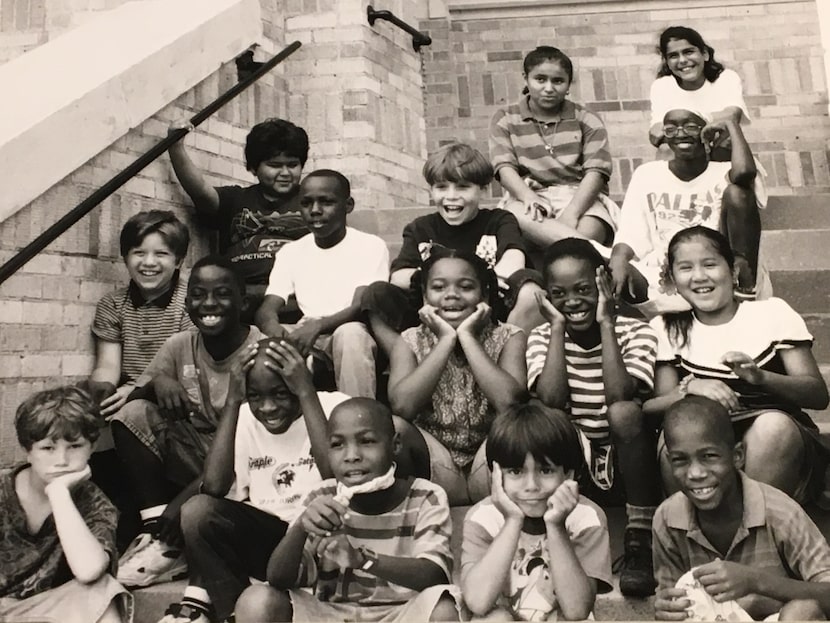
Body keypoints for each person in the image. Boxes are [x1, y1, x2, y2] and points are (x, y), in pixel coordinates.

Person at [158, 338, 349, 623]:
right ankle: (236, 614)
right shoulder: (245, 415)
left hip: (324, 538)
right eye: (255, 396)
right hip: (271, 541)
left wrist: (307, 392)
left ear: (300, 382)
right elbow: (214, 486)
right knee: (197, 511)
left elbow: (335, 476)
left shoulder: (335, 407)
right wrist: (234, 401)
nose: (268, 408)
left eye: (281, 394)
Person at [644, 226, 830, 505]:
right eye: (685, 268)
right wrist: (691, 388)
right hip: (705, 443)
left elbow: (817, 395)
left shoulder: (772, 313)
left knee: (772, 427)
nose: (699, 276)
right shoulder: (666, 327)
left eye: (710, 264)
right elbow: (653, 408)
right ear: (673, 279)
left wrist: (760, 377)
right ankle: (696, 532)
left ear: (732, 272)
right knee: (681, 431)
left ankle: (755, 527)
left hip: (778, 444)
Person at [234, 398, 462, 623]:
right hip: (332, 614)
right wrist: (302, 527)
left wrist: (361, 559)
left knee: (443, 608)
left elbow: (434, 575)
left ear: (395, 445)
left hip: (400, 614)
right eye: (337, 445)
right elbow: (278, 578)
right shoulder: (320, 498)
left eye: (367, 441)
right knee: (257, 601)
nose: (352, 455)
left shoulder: (425, 496)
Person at [111, 255, 265, 588]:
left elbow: (249, 446)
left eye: (222, 293)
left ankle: (177, 535)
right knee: (131, 415)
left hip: (244, 467)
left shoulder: (260, 354)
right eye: (197, 293)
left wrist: (181, 503)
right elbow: (135, 405)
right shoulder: (180, 344)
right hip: (197, 454)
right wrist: (158, 382)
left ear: (243, 301)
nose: (208, 303)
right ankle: (159, 535)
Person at [526, 238, 659, 597]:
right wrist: (555, 328)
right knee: (546, 414)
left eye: (584, 289)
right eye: (559, 293)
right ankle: (560, 536)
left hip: (629, 465)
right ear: (547, 298)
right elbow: (551, 398)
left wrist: (606, 322)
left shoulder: (637, 331)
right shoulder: (541, 336)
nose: (572, 301)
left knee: (624, 411)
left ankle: (639, 539)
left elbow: (620, 394)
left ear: (603, 282)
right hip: (575, 467)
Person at [653, 396, 830, 621]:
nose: (695, 473)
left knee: (803, 611)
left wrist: (756, 582)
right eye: (680, 460)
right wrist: (666, 611)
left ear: (737, 456)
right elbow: (672, 600)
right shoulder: (667, 518)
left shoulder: (780, 512)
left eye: (709, 457)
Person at [362, 142, 545, 344]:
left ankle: (508, 361)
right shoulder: (420, 228)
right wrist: (443, 283)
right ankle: (405, 363)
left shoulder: (499, 220)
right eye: (441, 187)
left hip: (487, 314)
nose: (451, 196)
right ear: (431, 191)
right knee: (375, 294)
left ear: (483, 190)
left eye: (462, 187)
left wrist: (479, 283)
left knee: (530, 286)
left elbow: (514, 259)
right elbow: (398, 276)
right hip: (432, 315)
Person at [387, 248, 528, 506]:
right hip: (434, 468)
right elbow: (402, 407)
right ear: (424, 296)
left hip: (490, 465)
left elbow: (510, 404)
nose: (451, 295)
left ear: (484, 294)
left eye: (465, 287)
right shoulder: (409, 340)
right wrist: (446, 339)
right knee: (394, 428)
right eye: (439, 287)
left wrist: (467, 337)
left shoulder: (510, 336)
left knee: (522, 424)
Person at [461, 403, 612, 621]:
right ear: (495, 475)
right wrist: (512, 520)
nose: (531, 485)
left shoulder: (586, 517)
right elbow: (477, 601)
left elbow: (577, 609)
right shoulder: (483, 517)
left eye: (546, 470)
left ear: (568, 475)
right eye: (515, 471)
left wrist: (556, 526)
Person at [609, 108, 764, 316]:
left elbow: (745, 173)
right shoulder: (647, 174)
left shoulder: (725, 171)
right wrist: (618, 259)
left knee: (739, 194)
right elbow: (631, 231)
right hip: (667, 273)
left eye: (691, 127)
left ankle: (744, 294)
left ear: (707, 132)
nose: (681, 134)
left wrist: (732, 126)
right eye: (671, 129)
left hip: (718, 271)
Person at [0, 386, 132, 623]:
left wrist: (59, 494)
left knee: (102, 590)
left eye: (75, 446)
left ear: (92, 448)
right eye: (48, 448)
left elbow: (89, 570)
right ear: (27, 452)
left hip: (39, 610)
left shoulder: (94, 502)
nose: (62, 460)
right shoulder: (3, 491)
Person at [255, 170, 388, 398]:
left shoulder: (370, 246)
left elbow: (359, 307)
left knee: (350, 336)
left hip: (350, 327)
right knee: (263, 341)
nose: (315, 210)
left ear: (348, 205)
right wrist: (276, 332)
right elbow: (268, 307)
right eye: (306, 203)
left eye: (326, 202)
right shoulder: (291, 252)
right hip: (306, 328)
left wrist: (317, 327)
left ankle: (360, 416)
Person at [168, 117, 309, 319]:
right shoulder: (236, 199)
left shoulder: (311, 201)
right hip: (241, 298)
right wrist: (176, 146)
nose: (285, 172)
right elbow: (199, 191)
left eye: (293, 165)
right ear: (253, 167)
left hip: (296, 296)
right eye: (275, 165)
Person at [489, 45, 619, 254]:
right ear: (526, 79)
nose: (549, 88)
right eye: (540, 79)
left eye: (558, 81)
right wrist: (528, 197)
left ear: (568, 84)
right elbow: (504, 168)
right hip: (528, 194)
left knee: (590, 229)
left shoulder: (586, 118)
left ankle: (587, 247)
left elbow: (596, 172)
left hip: (579, 197)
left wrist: (571, 214)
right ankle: (599, 253)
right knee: (514, 217)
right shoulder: (506, 118)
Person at [88, 209, 192, 419]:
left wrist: (137, 391)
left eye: (161, 254)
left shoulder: (190, 301)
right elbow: (108, 364)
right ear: (125, 258)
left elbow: (186, 367)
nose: (149, 262)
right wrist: (101, 391)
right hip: (128, 397)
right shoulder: (113, 304)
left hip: (176, 393)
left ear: (178, 261)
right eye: (139, 253)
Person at [649, 26, 751, 158]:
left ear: (705, 54)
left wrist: (679, 128)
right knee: (665, 150)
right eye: (673, 56)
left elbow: (731, 116)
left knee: (725, 144)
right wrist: (706, 126)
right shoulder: (662, 86)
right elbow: (656, 133)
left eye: (688, 52)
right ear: (667, 62)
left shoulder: (725, 78)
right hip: (687, 158)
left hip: (721, 155)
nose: (682, 60)